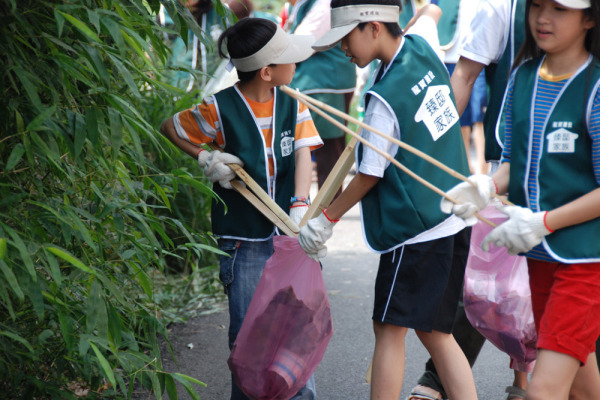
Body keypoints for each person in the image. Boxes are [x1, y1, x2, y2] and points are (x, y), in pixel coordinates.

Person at [298, 1, 478, 399]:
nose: (343, 48)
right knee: (436, 334)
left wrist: (325, 219)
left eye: (346, 38)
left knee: (388, 328)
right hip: (453, 217)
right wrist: (429, 10)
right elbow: (428, 19)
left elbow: (368, 175)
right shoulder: (421, 47)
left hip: (416, 232)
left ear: (373, 28)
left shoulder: (383, 99)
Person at [441, 1, 600, 399]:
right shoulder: (521, 77)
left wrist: (543, 222)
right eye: (536, 6)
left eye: (560, 9)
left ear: (589, 17)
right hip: (541, 256)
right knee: (582, 383)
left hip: (586, 261)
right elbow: (516, 162)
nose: (543, 18)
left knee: (543, 388)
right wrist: (486, 188)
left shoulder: (595, 86)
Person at [160, 18, 323, 399]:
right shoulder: (219, 108)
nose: (296, 65)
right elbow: (170, 126)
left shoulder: (294, 102)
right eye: (290, 59)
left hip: (290, 238)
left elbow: (303, 155)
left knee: (297, 331)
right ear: (267, 72)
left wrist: (301, 204)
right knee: (249, 337)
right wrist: (205, 157)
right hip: (242, 243)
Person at [407, 1, 529, 399]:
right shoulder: (502, 9)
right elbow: (464, 74)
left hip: (577, 172)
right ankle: (440, 378)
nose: (546, 18)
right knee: (481, 282)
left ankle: (530, 382)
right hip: (508, 166)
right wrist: (431, 149)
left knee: (571, 287)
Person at [284, 0, 357, 198]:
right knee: (317, 149)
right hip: (318, 83)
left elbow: (302, 44)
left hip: (324, 84)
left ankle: (325, 210)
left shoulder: (323, 4)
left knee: (325, 150)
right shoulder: (305, 4)